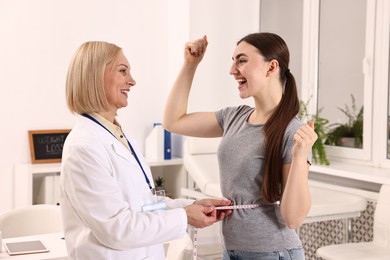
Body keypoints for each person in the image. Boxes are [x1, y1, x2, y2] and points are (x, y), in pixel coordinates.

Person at [60, 41, 232, 260]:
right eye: (123, 71)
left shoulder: (119, 136)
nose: (132, 81)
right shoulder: (84, 147)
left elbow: (145, 204)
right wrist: (183, 216)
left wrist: (189, 206)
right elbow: (116, 229)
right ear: (95, 75)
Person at [163, 32, 318, 260]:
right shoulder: (233, 117)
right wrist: (190, 65)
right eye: (233, 60)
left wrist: (300, 156)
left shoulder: (292, 132)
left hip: (273, 252)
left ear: (271, 67)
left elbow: (293, 219)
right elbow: (173, 122)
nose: (232, 70)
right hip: (231, 249)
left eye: (242, 60)